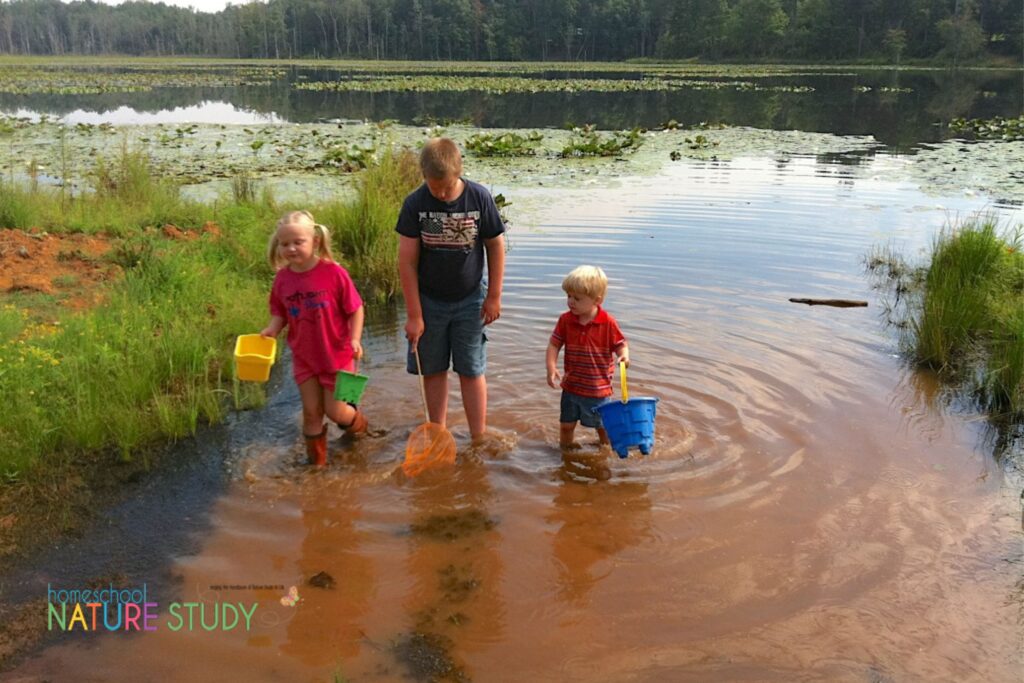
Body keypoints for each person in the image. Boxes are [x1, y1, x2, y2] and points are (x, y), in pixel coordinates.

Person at [396, 137, 505, 442]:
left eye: (446, 187)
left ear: (459, 172)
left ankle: (478, 437)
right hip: (429, 301)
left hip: (471, 299)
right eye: (435, 188)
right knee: (433, 369)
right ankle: (438, 434)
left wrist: (494, 296)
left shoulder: (479, 198)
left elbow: (496, 246)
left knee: (471, 369)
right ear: (423, 176)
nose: (441, 194)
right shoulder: (415, 204)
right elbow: (406, 262)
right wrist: (415, 315)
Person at [260, 210, 368, 467]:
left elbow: (356, 309)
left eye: (298, 242)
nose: (291, 249)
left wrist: (355, 339)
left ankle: (363, 431)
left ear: (315, 242)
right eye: (285, 244)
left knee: (337, 412)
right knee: (311, 413)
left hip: (338, 355)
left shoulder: (333, 273)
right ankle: (316, 469)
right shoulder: (282, 279)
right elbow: (280, 312)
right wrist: (271, 330)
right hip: (305, 357)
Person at [546, 265, 630, 449]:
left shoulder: (607, 322)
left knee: (602, 426)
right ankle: (566, 452)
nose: (570, 302)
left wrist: (623, 356)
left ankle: (607, 449)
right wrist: (551, 367)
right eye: (568, 296)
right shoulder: (565, 320)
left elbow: (620, 344)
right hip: (571, 386)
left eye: (577, 298)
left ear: (596, 300)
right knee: (566, 425)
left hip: (597, 389)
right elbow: (554, 344)